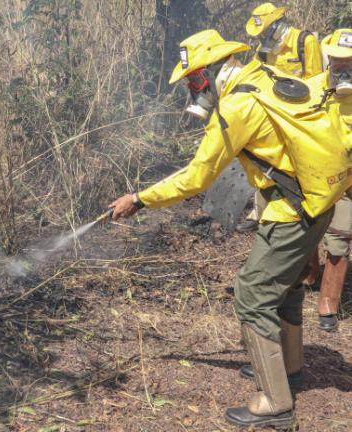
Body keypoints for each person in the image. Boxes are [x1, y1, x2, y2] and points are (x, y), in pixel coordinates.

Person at [109, 29, 352, 429]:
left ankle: (274, 402)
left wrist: (140, 199)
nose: (191, 90)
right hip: (319, 202)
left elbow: (195, 178)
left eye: (192, 81)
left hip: (293, 212)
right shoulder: (266, 74)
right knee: (287, 285)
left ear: (206, 74)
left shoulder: (236, 108)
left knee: (252, 294)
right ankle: (289, 369)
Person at [236, 2, 323, 233]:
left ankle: (304, 205)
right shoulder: (263, 49)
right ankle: (260, 211)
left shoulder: (304, 41)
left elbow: (315, 81)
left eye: (265, 30)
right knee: (263, 160)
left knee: (297, 164)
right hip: (271, 113)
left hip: (298, 115)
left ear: (276, 25)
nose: (262, 36)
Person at [308, 29, 352, 332]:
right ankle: (307, 279)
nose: (341, 65)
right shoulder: (312, 88)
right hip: (315, 175)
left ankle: (328, 306)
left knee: (339, 240)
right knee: (306, 231)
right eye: (336, 59)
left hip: (348, 180)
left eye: (348, 60)